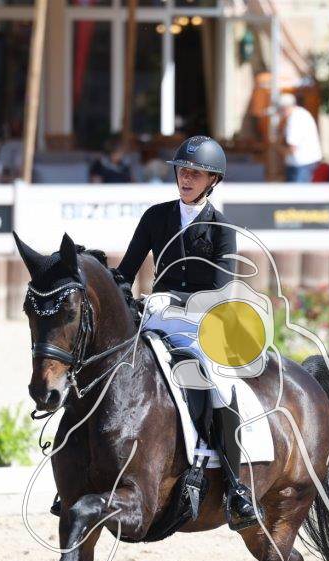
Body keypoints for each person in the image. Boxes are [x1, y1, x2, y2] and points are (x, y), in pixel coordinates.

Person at [114, 135, 259, 530]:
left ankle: (235, 486)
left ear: (213, 180)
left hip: (201, 323)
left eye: (196, 173)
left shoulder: (221, 228)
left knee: (219, 386)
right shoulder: (156, 217)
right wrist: (110, 287)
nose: (187, 178)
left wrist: (170, 298)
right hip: (155, 318)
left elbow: (220, 290)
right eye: (183, 170)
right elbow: (126, 272)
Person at [278, 92, 322, 182]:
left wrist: (279, 149)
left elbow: (292, 147)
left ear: (285, 108)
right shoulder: (301, 113)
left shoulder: (295, 118)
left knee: (297, 191)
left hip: (301, 164)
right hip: (306, 162)